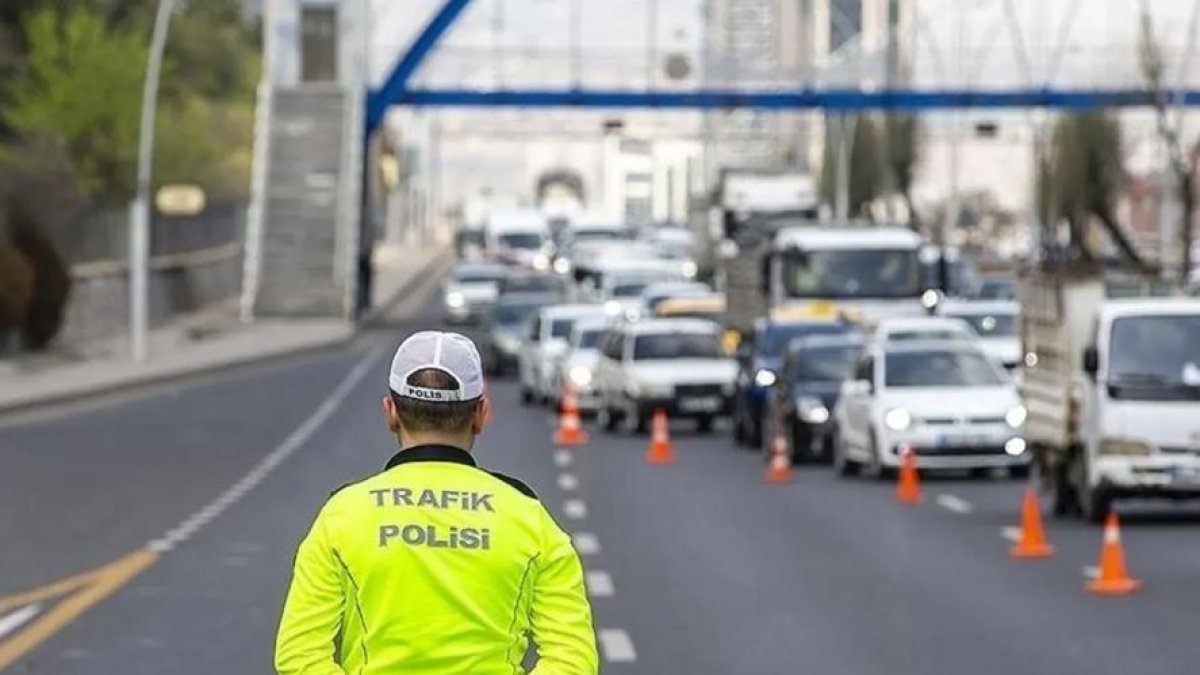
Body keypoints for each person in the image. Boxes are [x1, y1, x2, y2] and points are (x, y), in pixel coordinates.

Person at [274, 331, 598, 674]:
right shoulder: (529, 518)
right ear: (481, 414)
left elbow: (299, 655)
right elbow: (572, 659)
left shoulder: (342, 515)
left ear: (391, 412)